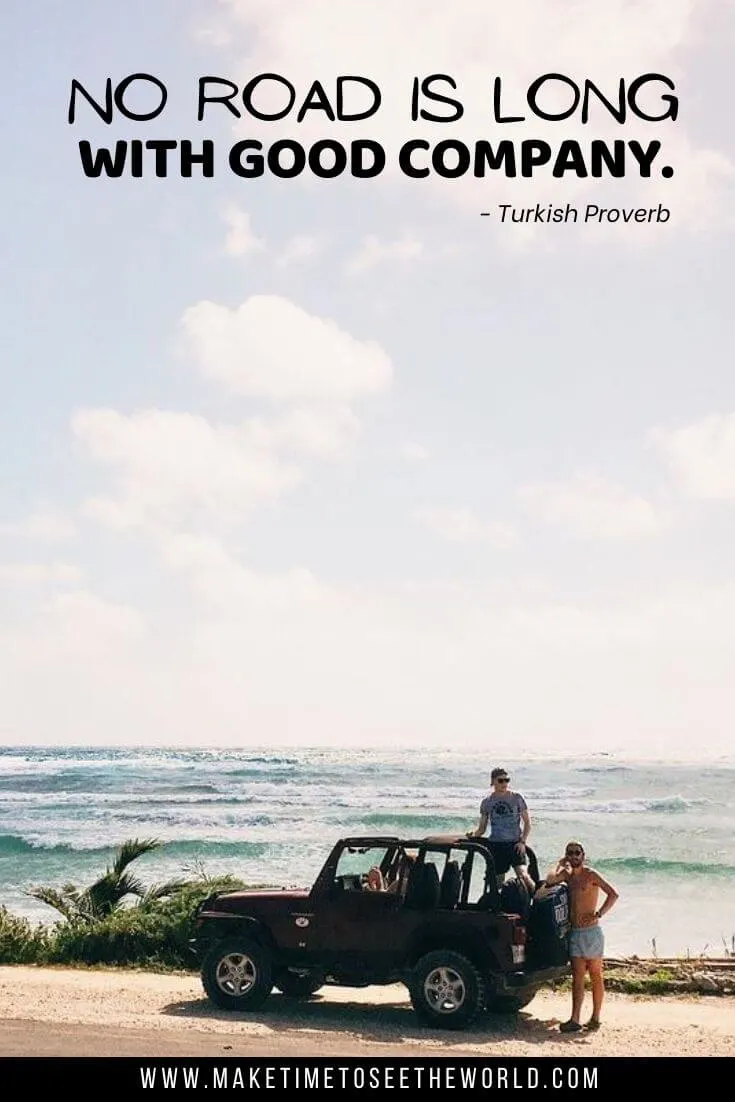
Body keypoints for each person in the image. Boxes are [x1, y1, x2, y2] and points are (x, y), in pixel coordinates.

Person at [542, 840, 619, 1033]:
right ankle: (575, 1019)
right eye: (570, 853)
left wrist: (599, 913)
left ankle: (595, 1018)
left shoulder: (591, 875)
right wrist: (560, 863)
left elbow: (613, 894)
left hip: (592, 932)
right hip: (575, 932)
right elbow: (550, 880)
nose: (574, 856)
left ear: (583, 855)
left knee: (596, 975)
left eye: (577, 853)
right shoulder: (567, 876)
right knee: (577, 977)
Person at [467, 767, 536, 894]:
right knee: (496, 883)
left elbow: (527, 823)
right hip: (496, 845)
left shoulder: (516, 798)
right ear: (493, 781)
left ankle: (536, 901)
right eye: (501, 781)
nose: (504, 784)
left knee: (524, 876)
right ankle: (496, 909)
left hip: (515, 844)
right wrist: (473, 835)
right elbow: (482, 828)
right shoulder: (487, 802)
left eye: (507, 780)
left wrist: (523, 842)